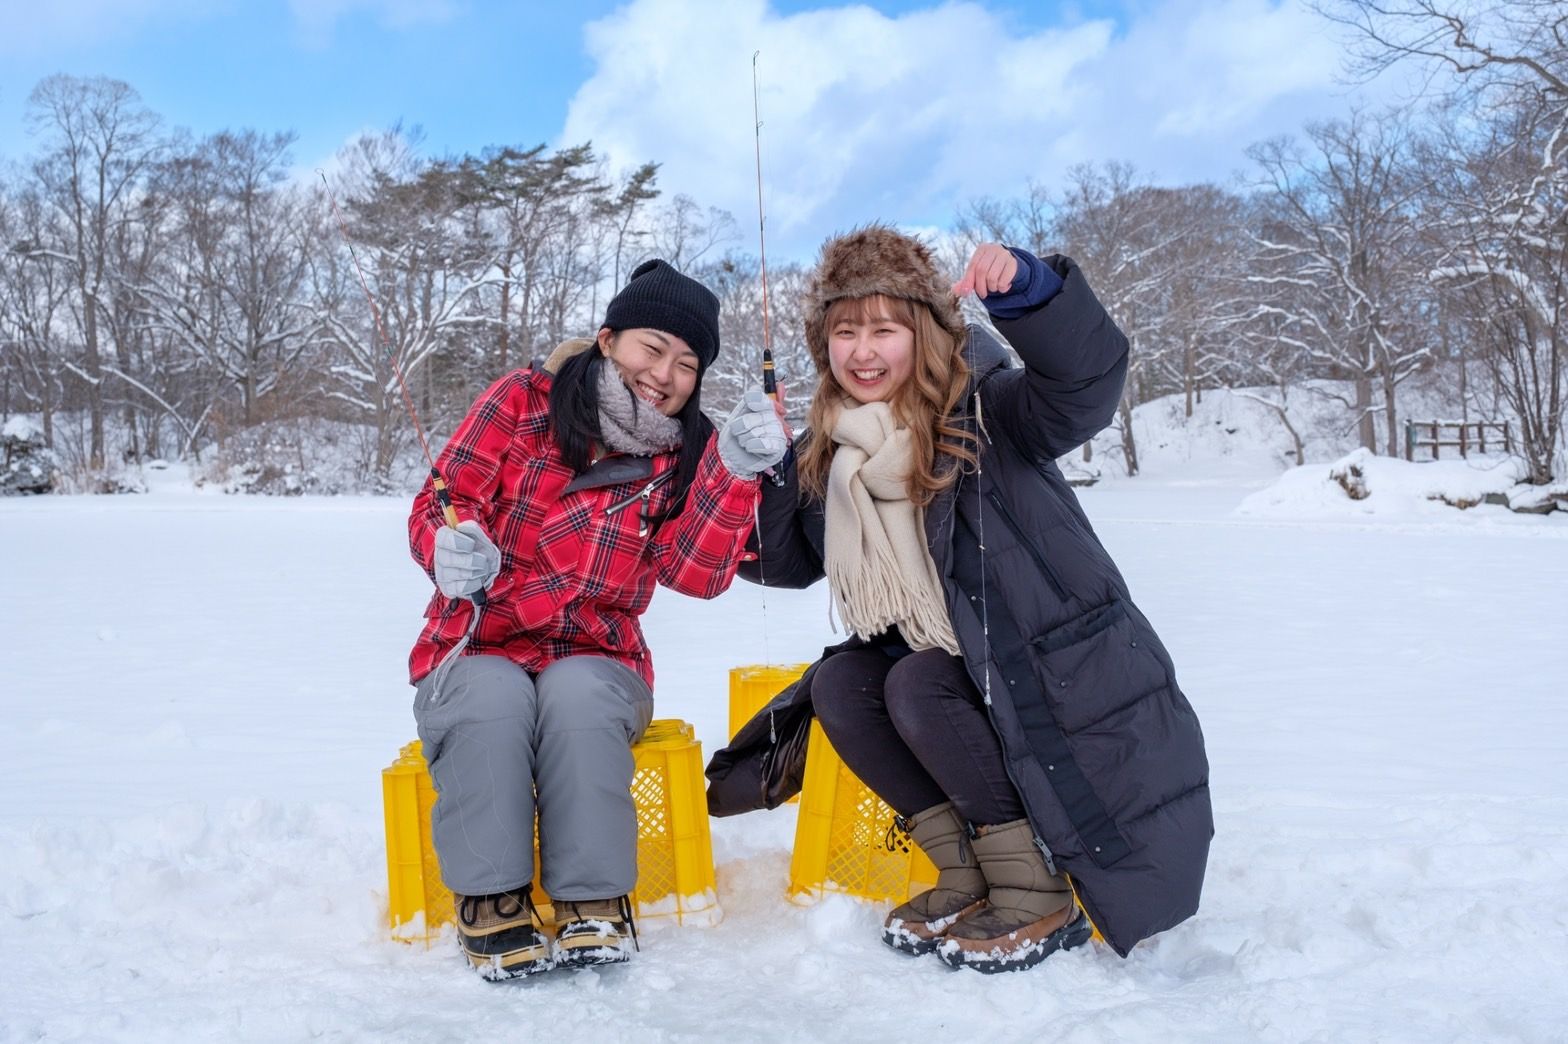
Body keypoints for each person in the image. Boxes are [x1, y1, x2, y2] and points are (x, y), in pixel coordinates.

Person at [711, 226, 1212, 972]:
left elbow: (1084, 388)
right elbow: (780, 560)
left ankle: (1035, 891)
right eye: (845, 331)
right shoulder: (832, 450)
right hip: (964, 681)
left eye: (884, 328)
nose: (863, 350)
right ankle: (969, 871)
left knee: (912, 678)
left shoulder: (991, 409)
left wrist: (1035, 295)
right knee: (845, 684)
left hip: (1045, 678)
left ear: (924, 332)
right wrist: (752, 474)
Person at [407, 259, 788, 980]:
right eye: (654, 347)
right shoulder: (523, 400)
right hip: (477, 643)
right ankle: (491, 897)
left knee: (576, 694)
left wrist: (734, 475)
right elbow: (441, 499)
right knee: (493, 697)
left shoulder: (688, 453)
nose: (666, 374)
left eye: (686, 363)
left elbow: (696, 574)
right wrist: (449, 547)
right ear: (609, 340)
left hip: (600, 658)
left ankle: (594, 899)